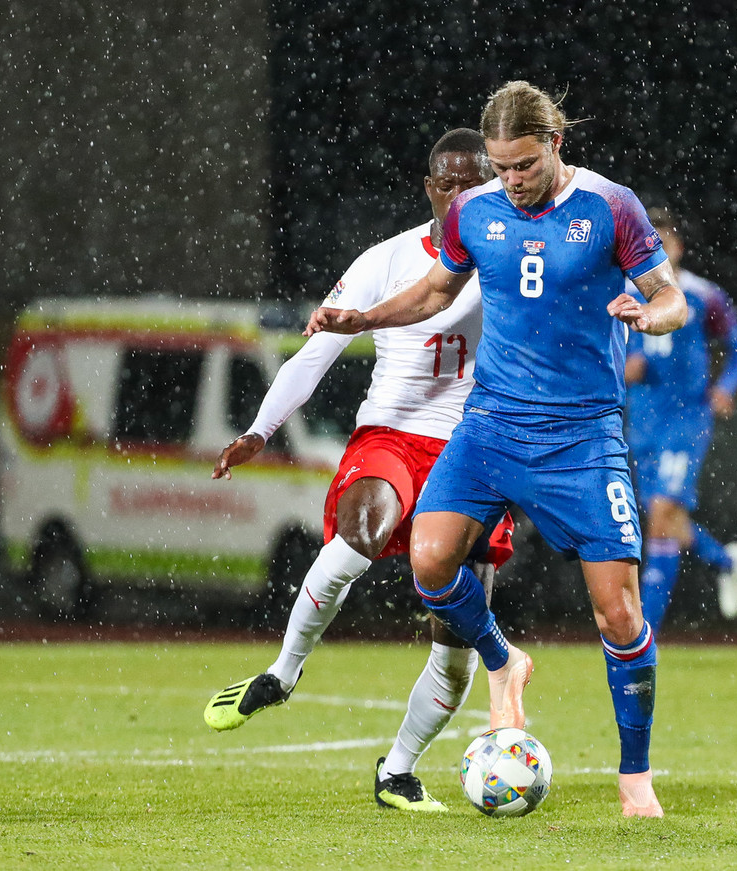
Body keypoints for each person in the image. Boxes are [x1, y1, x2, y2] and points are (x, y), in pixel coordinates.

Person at [306, 81, 688, 818]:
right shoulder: (474, 211)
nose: (510, 180)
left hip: (582, 435)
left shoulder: (610, 206)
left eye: (523, 165)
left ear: (556, 144)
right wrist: (362, 319)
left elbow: (669, 295)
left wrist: (651, 316)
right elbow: (434, 292)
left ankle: (634, 774)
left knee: (618, 613)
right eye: (500, 166)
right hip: (491, 425)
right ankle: (504, 662)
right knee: (429, 559)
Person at [203, 128, 513, 813]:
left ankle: (397, 771)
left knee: (457, 645)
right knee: (362, 532)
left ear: (494, 187)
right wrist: (259, 430)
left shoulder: (516, 260)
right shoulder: (386, 260)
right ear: (429, 189)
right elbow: (315, 352)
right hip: (392, 435)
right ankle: (283, 672)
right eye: (447, 184)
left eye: (474, 184)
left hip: (474, 450)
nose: (460, 196)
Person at [624, 208, 737, 632]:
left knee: (662, 516)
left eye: (663, 242)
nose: (656, 250)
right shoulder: (624, 294)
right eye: (649, 242)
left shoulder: (702, 295)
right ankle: (727, 560)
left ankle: (645, 634)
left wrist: (724, 388)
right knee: (666, 521)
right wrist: (624, 366)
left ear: (678, 247)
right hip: (642, 422)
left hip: (686, 418)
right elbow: (609, 351)